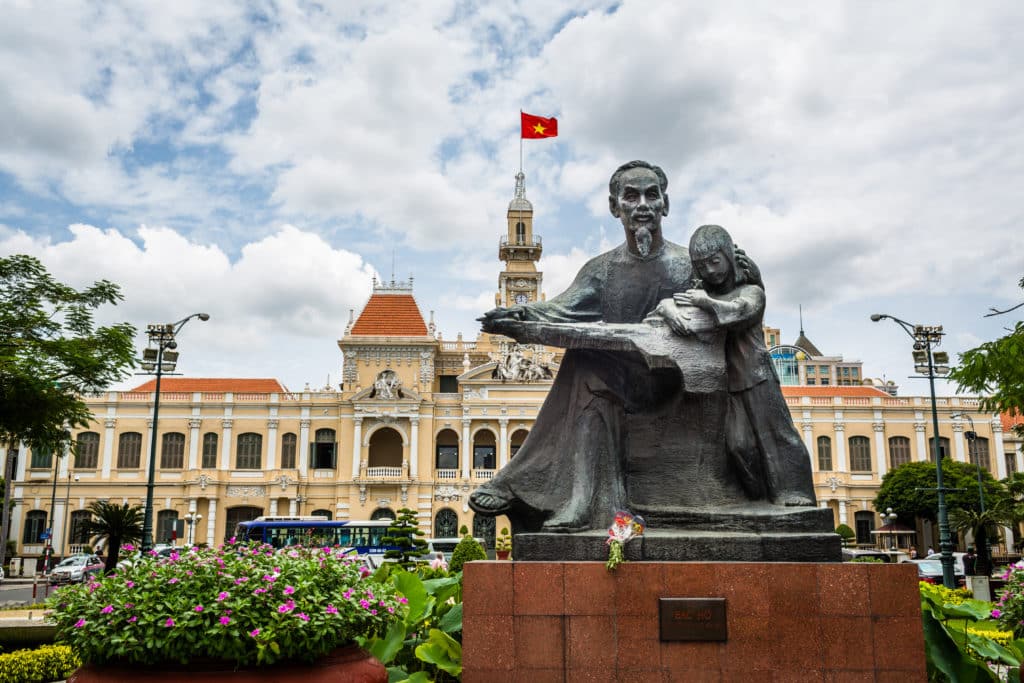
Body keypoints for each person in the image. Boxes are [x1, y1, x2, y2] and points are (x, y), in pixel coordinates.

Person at [470, 161, 779, 532]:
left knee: (588, 366)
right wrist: (519, 317)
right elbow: (559, 310)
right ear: (615, 207)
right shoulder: (602, 270)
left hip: (687, 383)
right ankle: (582, 501)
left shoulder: (690, 265)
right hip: (630, 384)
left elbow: (740, 301)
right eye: (631, 196)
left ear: (665, 204)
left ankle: (522, 482)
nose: (643, 205)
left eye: (652, 195)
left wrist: (751, 274)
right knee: (585, 361)